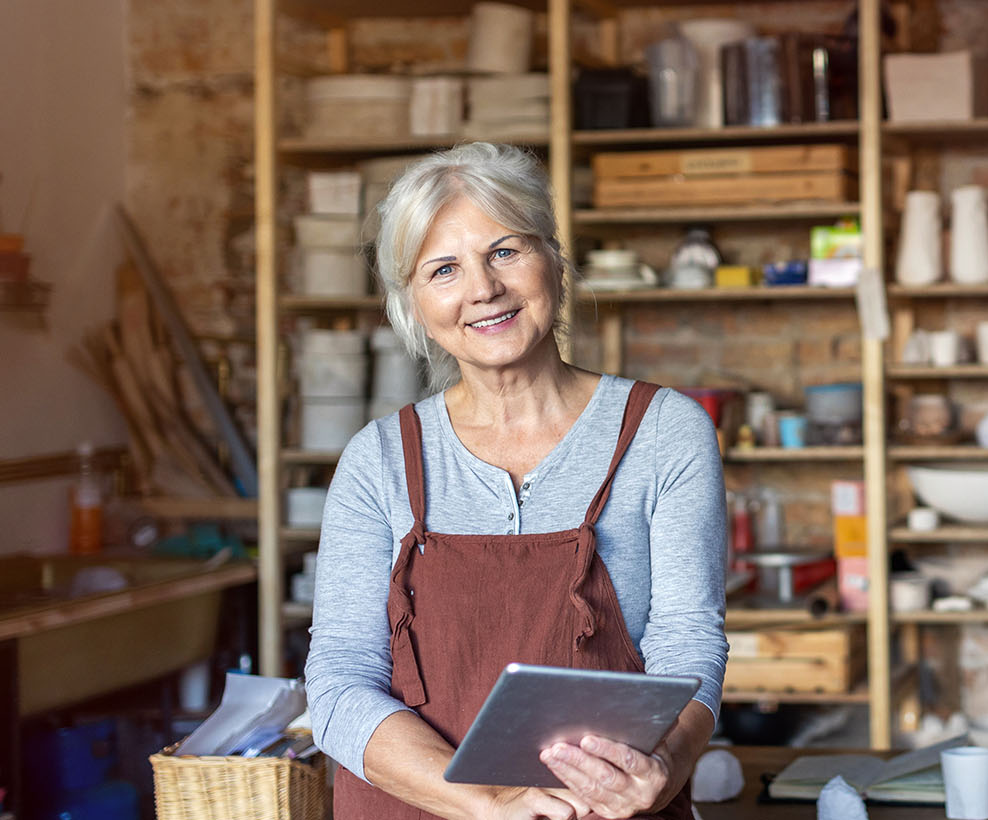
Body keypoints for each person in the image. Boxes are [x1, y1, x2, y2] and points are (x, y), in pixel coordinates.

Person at [305, 142, 728, 820]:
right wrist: (488, 804)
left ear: (554, 262)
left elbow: (689, 641)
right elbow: (337, 684)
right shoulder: (378, 460)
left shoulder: (664, 432)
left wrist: (668, 764)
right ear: (413, 307)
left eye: (504, 251)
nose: (483, 289)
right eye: (443, 269)